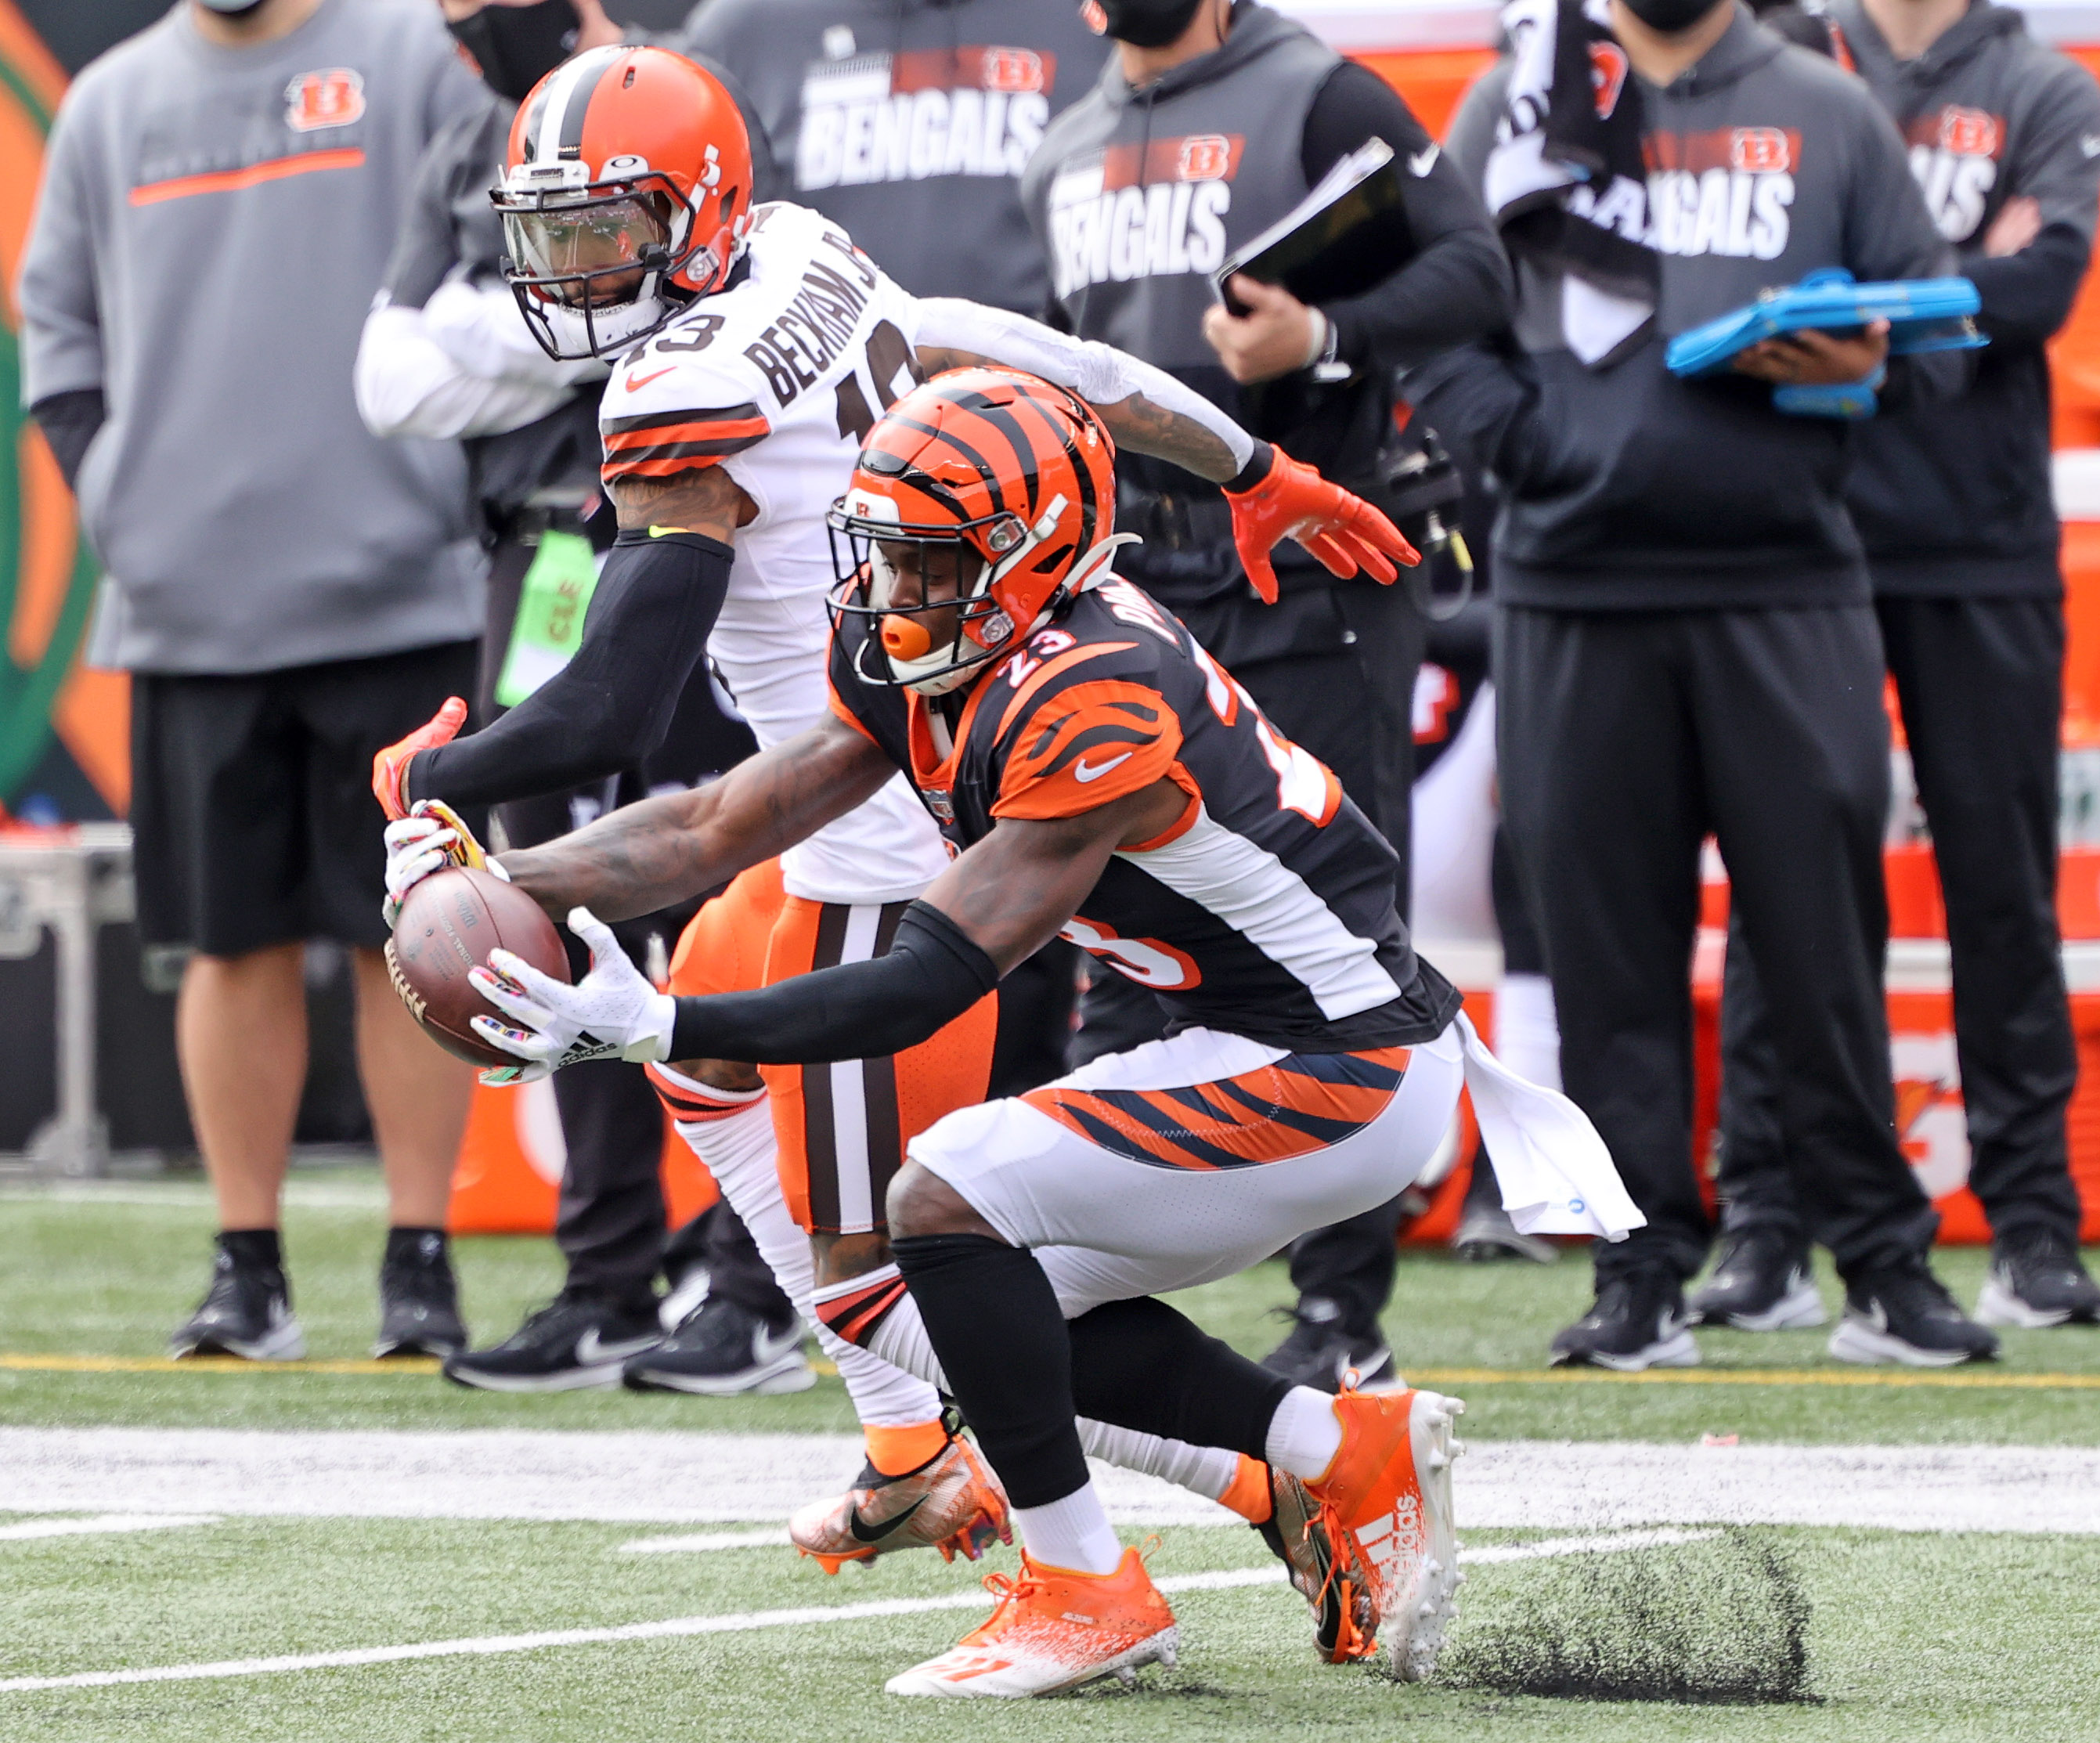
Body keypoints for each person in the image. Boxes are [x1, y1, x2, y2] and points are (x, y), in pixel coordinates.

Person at [369, 42, 1424, 1582]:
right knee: (704, 1068)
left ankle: (1280, 1470)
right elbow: (1027, 356)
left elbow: (616, 709)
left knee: (902, 1279)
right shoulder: (796, 249)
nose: (572, 271)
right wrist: (1243, 460)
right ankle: (913, 1451)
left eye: (605, 230)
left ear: (696, 211)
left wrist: (429, 782)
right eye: (550, 234)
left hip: (880, 842)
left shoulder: (683, 384)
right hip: (829, 796)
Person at [445, 369, 1634, 1697]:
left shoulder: (1094, 692)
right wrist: (498, 873)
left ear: (1026, 557)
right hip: (1248, 1034)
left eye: (929, 562)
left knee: (937, 1198)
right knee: (917, 1300)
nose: (894, 595)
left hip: (1345, 1066)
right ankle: (1331, 1447)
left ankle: (1085, 1590)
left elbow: (919, 983)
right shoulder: (953, 639)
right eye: (881, 553)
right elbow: (713, 824)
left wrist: (655, 1022)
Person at [1417, 0, 1997, 1368]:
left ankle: (1881, 1265)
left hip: (1785, 584)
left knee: (1820, 940)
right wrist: (1535, 448)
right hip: (1567, 594)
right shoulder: (1513, 101)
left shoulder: (1824, 105)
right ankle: (1639, 1271)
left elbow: (1943, 348)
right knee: (1608, 958)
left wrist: (1858, 365)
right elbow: (1432, 326)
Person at [1021, 0, 1515, 1391]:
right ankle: (1066, 1271)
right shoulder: (1060, 142)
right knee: (1106, 908)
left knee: (1343, 926)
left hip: (1309, 568)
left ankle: (1341, 1307)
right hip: (1128, 577)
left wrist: (1326, 334)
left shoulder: (1322, 93)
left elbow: (1476, 270)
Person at [19, 0, 486, 1361]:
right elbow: (56, 329)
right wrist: (126, 501)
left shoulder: (412, 55)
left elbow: (502, 280)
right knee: (227, 947)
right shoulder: (110, 102)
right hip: (186, 610)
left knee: (409, 937)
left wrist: (445, 488)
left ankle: (421, 1260)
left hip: (398, 593)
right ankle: (247, 1268)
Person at [358, 0, 807, 1394]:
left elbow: (680, 312)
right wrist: (560, 326)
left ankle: (757, 1279)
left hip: (697, 550)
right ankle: (605, 1273)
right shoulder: (475, 127)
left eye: (598, 227)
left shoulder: (680, 107)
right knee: (553, 892)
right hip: (547, 545)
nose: (458, 22)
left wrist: (496, 336)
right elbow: (390, 376)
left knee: (735, 877)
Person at [1701, 0, 2100, 1336]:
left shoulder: (2039, 82)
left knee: (2000, 884)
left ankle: (2033, 1226)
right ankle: (1762, 1224)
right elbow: (1735, 286)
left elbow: (2042, 288)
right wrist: (1948, 279)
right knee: (1783, 890)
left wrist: (1862, 291)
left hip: (1979, 545)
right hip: (1797, 537)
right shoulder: (1775, 61)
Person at [673, 0, 1117, 1099]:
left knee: (1025, 834)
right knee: (817, 851)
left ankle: (1005, 1165)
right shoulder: (741, 28)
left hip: (1031, 507)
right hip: (823, 527)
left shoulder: (1082, 24)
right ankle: (762, 1250)